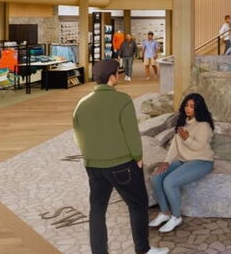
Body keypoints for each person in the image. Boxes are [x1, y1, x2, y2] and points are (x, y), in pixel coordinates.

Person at [72, 59, 169, 254]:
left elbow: (78, 135)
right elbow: (131, 133)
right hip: (122, 165)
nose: (119, 75)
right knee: (137, 204)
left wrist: (90, 157)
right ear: (112, 77)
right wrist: (138, 156)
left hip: (93, 166)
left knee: (97, 210)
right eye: (118, 72)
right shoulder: (122, 100)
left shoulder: (81, 104)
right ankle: (143, 250)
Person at [149, 93, 215, 233]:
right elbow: (174, 145)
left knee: (169, 182)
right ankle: (165, 213)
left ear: (199, 108)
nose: (188, 109)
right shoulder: (183, 121)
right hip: (183, 160)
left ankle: (176, 217)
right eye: (186, 105)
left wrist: (186, 138)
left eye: (192, 106)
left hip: (201, 161)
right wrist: (166, 162)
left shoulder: (204, 126)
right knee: (156, 177)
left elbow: (198, 147)